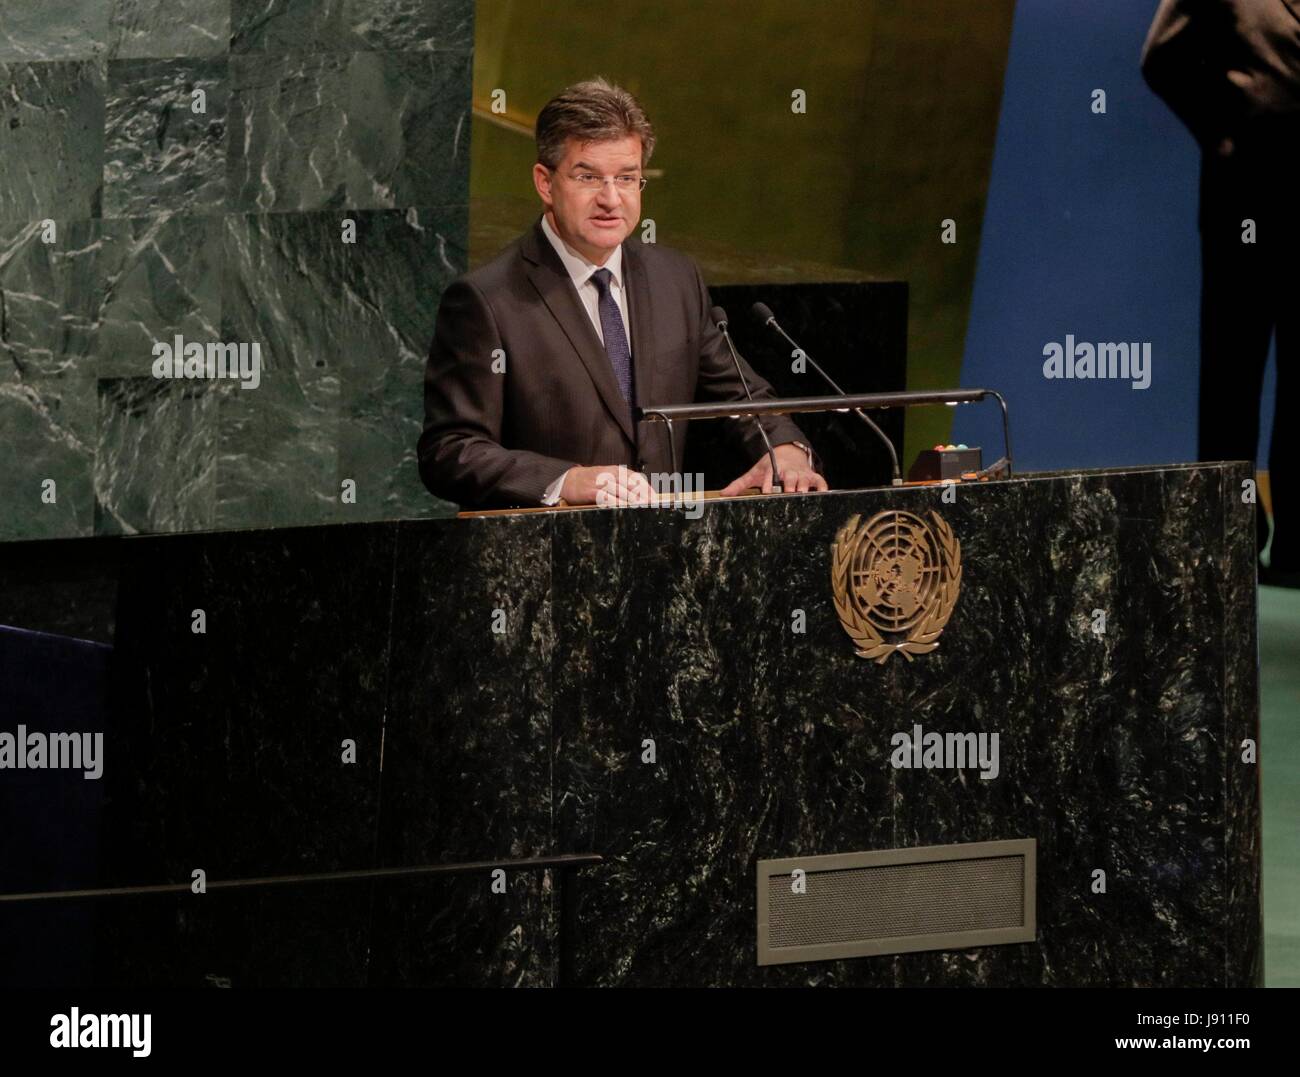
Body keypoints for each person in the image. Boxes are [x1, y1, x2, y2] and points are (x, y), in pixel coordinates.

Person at [418, 78, 826, 509]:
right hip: (546, 558)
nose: (611, 199)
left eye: (627, 178)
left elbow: (742, 395)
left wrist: (783, 450)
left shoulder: (675, 279)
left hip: (662, 549)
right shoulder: (488, 299)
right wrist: (566, 480)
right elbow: (450, 450)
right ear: (545, 182)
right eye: (588, 176)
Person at [1142, 0, 1300, 584]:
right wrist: (1225, 132)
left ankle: (1297, 547)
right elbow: (1161, 56)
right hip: (1245, 198)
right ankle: (1228, 537)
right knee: (1233, 372)